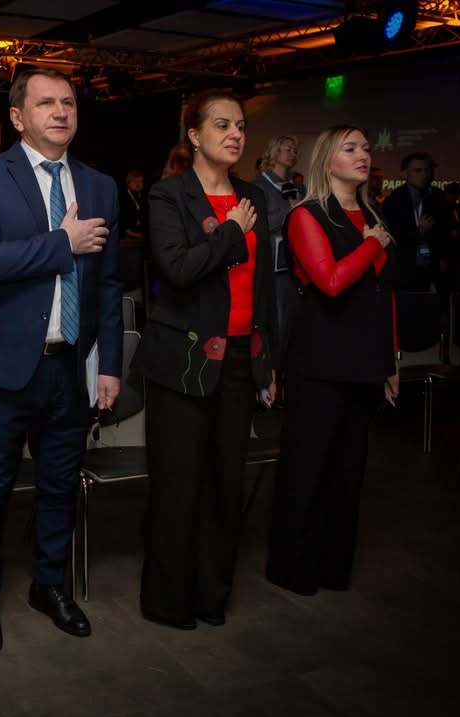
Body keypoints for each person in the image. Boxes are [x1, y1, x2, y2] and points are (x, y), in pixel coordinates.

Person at [0, 67, 123, 653]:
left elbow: (108, 284)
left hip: (70, 365)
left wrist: (110, 364)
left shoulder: (99, 186)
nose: (61, 112)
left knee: (59, 485)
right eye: (46, 103)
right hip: (2, 365)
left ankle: (50, 586)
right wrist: (62, 243)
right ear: (18, 117)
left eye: (69, 102)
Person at [133, 89, 276, 630]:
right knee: (178, 485)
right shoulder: (169, 195)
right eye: (222, 124)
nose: (235, 134)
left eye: (240, 125)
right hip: (184, 358)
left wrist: (266, 361)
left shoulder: (252, 197)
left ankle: (211, 596)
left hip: (240, 357)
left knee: (224, 484)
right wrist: (233, 231)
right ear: (194, 135)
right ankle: (168, 601)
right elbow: (177, 269)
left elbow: (263, 289)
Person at [266, 126, 398, 596]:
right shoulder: (307, 215)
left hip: (365, 359)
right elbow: (332, 282)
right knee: (308, 467)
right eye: (351, 148)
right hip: (319, 359)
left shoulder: (372, 214)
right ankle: (294, 569)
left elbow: (383, 294)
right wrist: (373, 243)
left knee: (349, 470)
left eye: (366, 148)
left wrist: (391, 360)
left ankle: (332, 568)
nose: (363, 155)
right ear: (327, 160)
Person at [253, 135, 303, 361]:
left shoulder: (297, 186)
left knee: (294, 323)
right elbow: (258, 224)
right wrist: (291, 212)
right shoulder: (258, 187)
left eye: (295, 151)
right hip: (270, 265)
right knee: (276, 323)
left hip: (294, 264)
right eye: (287, 149)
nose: (293, 154)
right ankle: (272, 370)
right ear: (274, 152)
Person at [382, 152, 447, 291]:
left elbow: (444, 231)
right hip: (404, 267)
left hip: (432, 266)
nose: (424, 175)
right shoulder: (394, 200)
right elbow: (393, 235)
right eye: (417, 170)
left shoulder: (437, 196)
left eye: (426, 170)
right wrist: (419, 231)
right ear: (404, 174)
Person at [119, 169, 146, 297]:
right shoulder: (123, 198)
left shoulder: (142, 197)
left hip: (140, 237)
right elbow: (121, 220)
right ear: (129, 183)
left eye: (141, 182)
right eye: (135, 182)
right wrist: (133, 234)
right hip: (127, 239)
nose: (138, 185)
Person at [442, 181, 460, 294]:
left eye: (457, 194)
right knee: (446, 280)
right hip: (445, 251)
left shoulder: (459, 208)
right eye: (452, 193)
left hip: (458, 251)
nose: (454, 197)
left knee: (458, 280)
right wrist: (450, 233)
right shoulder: (441, 209)